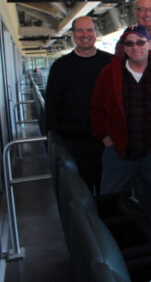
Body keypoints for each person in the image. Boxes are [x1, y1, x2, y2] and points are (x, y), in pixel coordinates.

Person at [90, 25, 151, 205]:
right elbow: (96, 108)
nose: (135, 47)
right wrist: (105, 137)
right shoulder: (109, 73)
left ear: (149, 44)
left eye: (140, 42)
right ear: (123, 48)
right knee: (112, 204)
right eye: (129, 44)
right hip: (120, 151)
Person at [45, 16, 112, 192]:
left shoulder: (111, 63)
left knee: (109, 191)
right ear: (73, 35)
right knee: (81, 193)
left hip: (107, 142)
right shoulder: (60, 66)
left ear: (95, 33)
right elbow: (51, 108)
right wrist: (56, 145)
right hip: (73, 144)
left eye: (89, 30)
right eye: (80, 31)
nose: (85, 35)